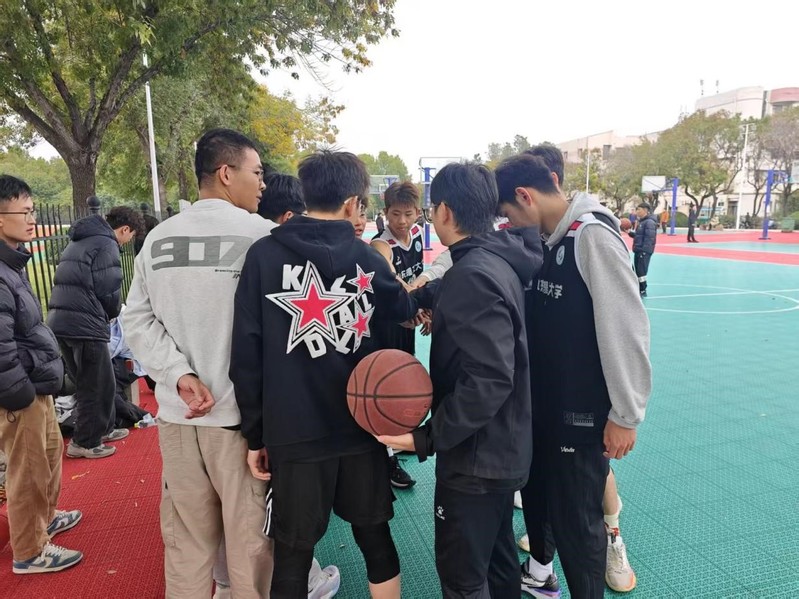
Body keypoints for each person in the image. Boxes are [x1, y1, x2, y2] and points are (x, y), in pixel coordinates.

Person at [230, 150, 418, 599]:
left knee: (293, 554)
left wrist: (255, 435)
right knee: (375, 539)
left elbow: (246, 357)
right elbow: (405, 308)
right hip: (361, 427)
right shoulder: (367, 259)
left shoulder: (262, 256)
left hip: (293, 432)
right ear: (353, 203)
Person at [377, 162, 542, 597]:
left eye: (432, 210)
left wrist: (427, 437)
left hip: (476, 458)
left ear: (445, 212)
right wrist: (414, 297)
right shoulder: (491, 260)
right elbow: (442, 290)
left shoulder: (473, 275)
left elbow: (489, 379)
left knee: (463, 578)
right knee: (499, 562)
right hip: (500, 447)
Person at [123, 128, 275, 598]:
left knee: (187, 544)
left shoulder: (157, 239)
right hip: (242, 427)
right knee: (250, 546)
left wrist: (179, 375)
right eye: (256, 173)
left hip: (178, 418)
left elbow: (135, 320)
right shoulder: (264, 238)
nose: (262, 184)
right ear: (226, 173)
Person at [495, 153, 651, 599]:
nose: (510, 223)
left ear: (525, 196)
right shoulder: (544, 239)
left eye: (509, 213)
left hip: (581, 416)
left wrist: (626, 414)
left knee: (579, 526)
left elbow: (627, 328)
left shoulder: (592, 237)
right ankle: (540, 576)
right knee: (538, 500)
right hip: (543, 408)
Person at [0, 174, 83, 574]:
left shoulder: (12, 264)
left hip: (35, 385)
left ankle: (44, 520)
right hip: (20, 391)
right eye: (25, 211)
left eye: (33, 210)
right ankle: (30, 551)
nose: (32, 219)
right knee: (28, 470)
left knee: (48, 458)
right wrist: (19, 393)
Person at [47, 206, 143, 459]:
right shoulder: (106, 244)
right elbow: (108, 288)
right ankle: (85, 442)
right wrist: (112, 313)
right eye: (131, 235)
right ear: (125, 229)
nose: (128, 241)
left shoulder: (81, 240)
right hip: (85, 323)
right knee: (97, 383)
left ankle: (103, 429)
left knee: (91, 381)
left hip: (62, 320)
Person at [370, 181, 425, 489]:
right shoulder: (381, 243)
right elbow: (391, 275)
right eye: (395, 214)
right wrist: (413, 303)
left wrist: (424, 309)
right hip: (385, 325)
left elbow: (418, 279)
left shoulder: (416, 235)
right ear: (385, 213)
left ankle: (395, 441)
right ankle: (385, 459)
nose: (402, 221)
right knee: (384, 391)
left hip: (406, 322)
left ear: (418, 212)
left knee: (405, 386)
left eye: (408, 214)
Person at [628, 202, 658, 297]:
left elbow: (649, 238)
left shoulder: (649, 222)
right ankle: (639, 288)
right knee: (638, 271)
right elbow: (639, 236)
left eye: (639, 209)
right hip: (638, 250)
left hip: (643, 251)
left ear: (645, 210)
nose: (637, 211)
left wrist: (644, 251)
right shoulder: (642, 222)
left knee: (642, 272)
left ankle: (642, 290)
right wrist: (630, 233)